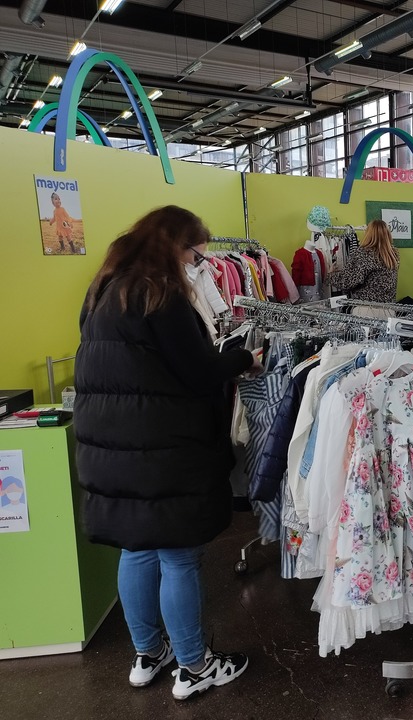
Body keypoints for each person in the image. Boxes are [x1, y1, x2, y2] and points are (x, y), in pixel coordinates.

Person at [73, 206, 259, 700]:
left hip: (110, 446)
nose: (197, 264)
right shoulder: (161, 295)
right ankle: (195, 667)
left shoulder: (104, 290)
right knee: (178, 556)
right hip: (163, 446)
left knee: (136, 549)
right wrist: (244, 358)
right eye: (196, 255)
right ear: (176, 246)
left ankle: (148, 654)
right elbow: (197, 370)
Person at [329, 219, 399, 310]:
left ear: (368, 234)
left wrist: (330, 275)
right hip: (389, 308)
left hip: (367, 309)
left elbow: (348, 281)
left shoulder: (364, 253)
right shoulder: (393, 254)